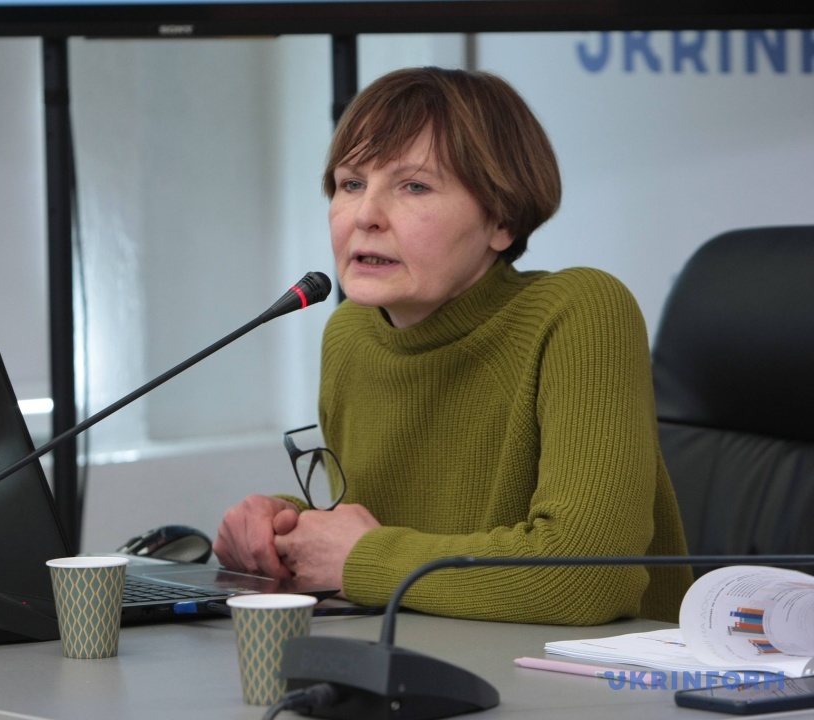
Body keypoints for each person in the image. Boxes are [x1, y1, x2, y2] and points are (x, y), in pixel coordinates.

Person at [213, 66, 692, 625]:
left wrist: (359, 558)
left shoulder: (579, 312)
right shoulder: (350, 334)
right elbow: (389, 530)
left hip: (596, 672)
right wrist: (287, 527)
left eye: (414, 186)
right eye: (351, 184)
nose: (365, 216)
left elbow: (588, 578)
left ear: (502, 219)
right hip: (422, 654)